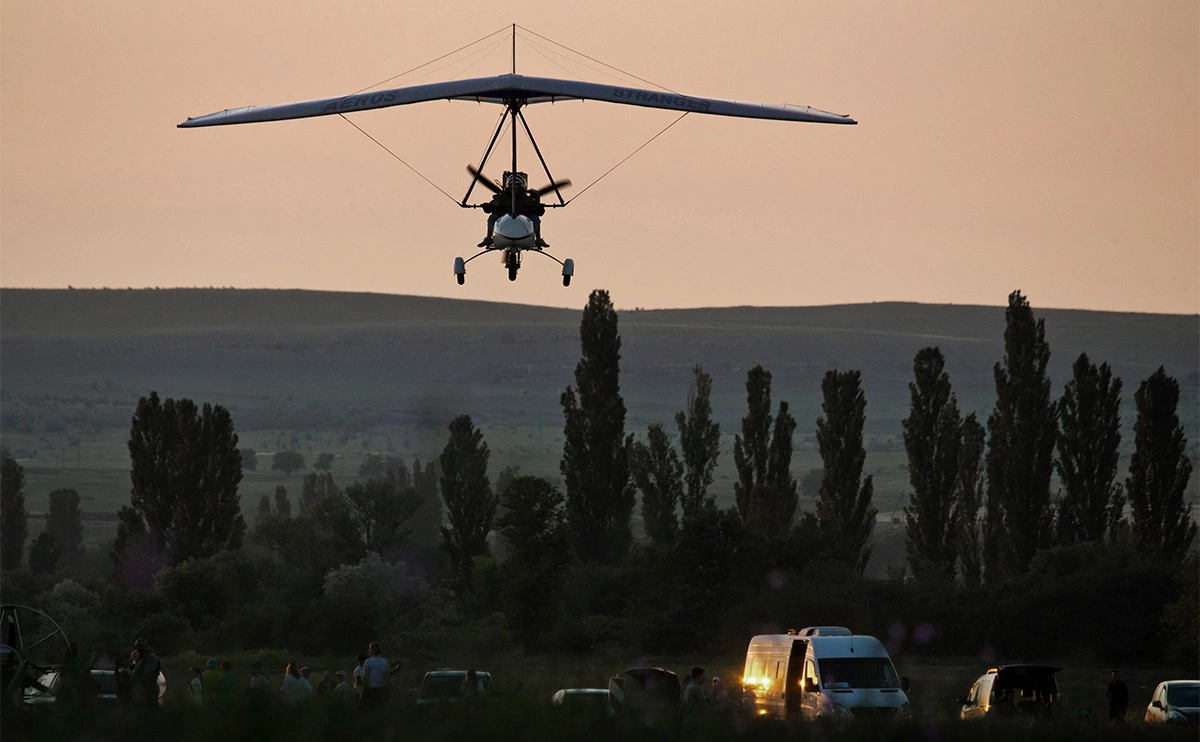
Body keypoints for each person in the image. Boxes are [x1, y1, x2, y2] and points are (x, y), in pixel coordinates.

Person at [477, 172, 549, 248]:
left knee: (535, 218)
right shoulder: (502, 197)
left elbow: (538, 212)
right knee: (492, 218)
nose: (514, 190)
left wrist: (539, 206)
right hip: (504, 220)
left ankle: (538, 239)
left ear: (521, 188)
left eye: (516, 188)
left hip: (522, 221)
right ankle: (489, 238)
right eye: (512, 188)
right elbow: (491, 208)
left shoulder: (526, 199)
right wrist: (486, 206)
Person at [129, 638, 161, 708]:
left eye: (141, 646)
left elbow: (148, 672)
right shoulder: (141, 657)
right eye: (137, 646)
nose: (139, 648)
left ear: (145, 646)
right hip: (141, 688)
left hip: (148, 688)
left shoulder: (150, 657)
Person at [360, 641, 390, 708]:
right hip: (383, 689)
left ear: (373, 650)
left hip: (372, 689)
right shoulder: (385, 662)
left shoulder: (368, 661)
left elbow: (366, 676)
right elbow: (387, 677)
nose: (368, 650)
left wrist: (364, 687)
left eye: (370, 648)